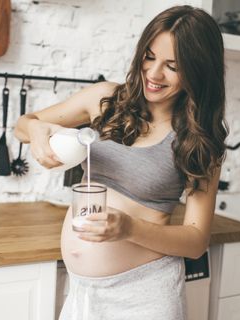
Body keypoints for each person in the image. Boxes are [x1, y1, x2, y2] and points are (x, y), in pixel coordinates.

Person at [15, 5, 227, 320]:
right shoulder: (105, 100)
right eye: (149, 56)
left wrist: (128, 228)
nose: (154, 74)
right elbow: (23, 125)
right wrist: (36, 130)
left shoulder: (200, 139)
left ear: (197, 70)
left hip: (146, 296)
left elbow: (196, 240)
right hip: (83, 295)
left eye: (172, 65)